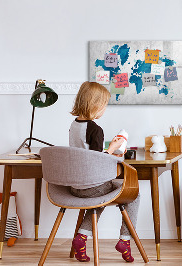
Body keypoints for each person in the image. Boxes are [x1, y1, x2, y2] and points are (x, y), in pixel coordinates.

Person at [69, 81, 139, 263]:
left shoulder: (74, 125)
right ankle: (125, 240)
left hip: (75, 186)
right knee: (134, 194)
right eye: (104, 105)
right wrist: (113, 149)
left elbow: (86, 154)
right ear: (95, 105)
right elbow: (96, 161)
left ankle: (81, 238)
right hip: (92, 186)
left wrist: (108, 149)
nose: (104, 109)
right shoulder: (95, 129)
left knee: (100, 198)